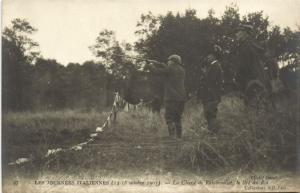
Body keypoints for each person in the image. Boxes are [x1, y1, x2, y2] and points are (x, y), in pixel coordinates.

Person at [145, 54, 186, 139]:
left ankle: (172, 136)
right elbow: (167, 69)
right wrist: (158, 63)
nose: (168, 61)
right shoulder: (182, 70)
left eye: (169, 60)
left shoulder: (170, 68)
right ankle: (179, 137)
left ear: (173, 61)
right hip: (181, 98)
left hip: (171, 97)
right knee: (177, 117)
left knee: (169, 117)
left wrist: (150, 65)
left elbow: (156, 72)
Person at [198, 54, 223, 134]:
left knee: (210, 113)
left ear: (213, 58)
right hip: (210, 95)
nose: (207, 59)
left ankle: (214, 132)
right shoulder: (214, 66)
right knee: (209, 114)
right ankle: (212, 132)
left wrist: (204, 73)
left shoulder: (215, 66)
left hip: (211, 95)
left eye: (208, 58)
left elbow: (210, 80)